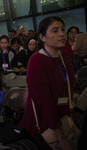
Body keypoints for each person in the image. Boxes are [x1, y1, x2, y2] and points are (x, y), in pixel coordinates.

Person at [19, 16, 75, 150]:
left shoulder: (63, 56)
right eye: (55, 31)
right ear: (42, 37)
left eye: (62, 29)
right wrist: (61, 138)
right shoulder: (36, 61)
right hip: (43, 126)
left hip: (62, 119)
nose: (61, 34)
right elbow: (45, 102)